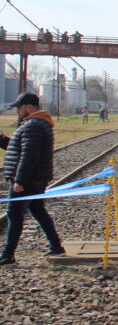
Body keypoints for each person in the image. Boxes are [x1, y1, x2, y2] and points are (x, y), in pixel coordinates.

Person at [0, 92, 64, 264]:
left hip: (29, 180)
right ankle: (56, 246)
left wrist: (20, 181)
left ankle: (7, 255)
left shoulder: (33, 125)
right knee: (38, 211)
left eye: (19, 108)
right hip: (35, 179)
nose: (17, 112)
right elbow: (19, 149)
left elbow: (29, 156)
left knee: (14, 214)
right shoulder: (35, 123)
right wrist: (2, 139)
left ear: (28, 107)